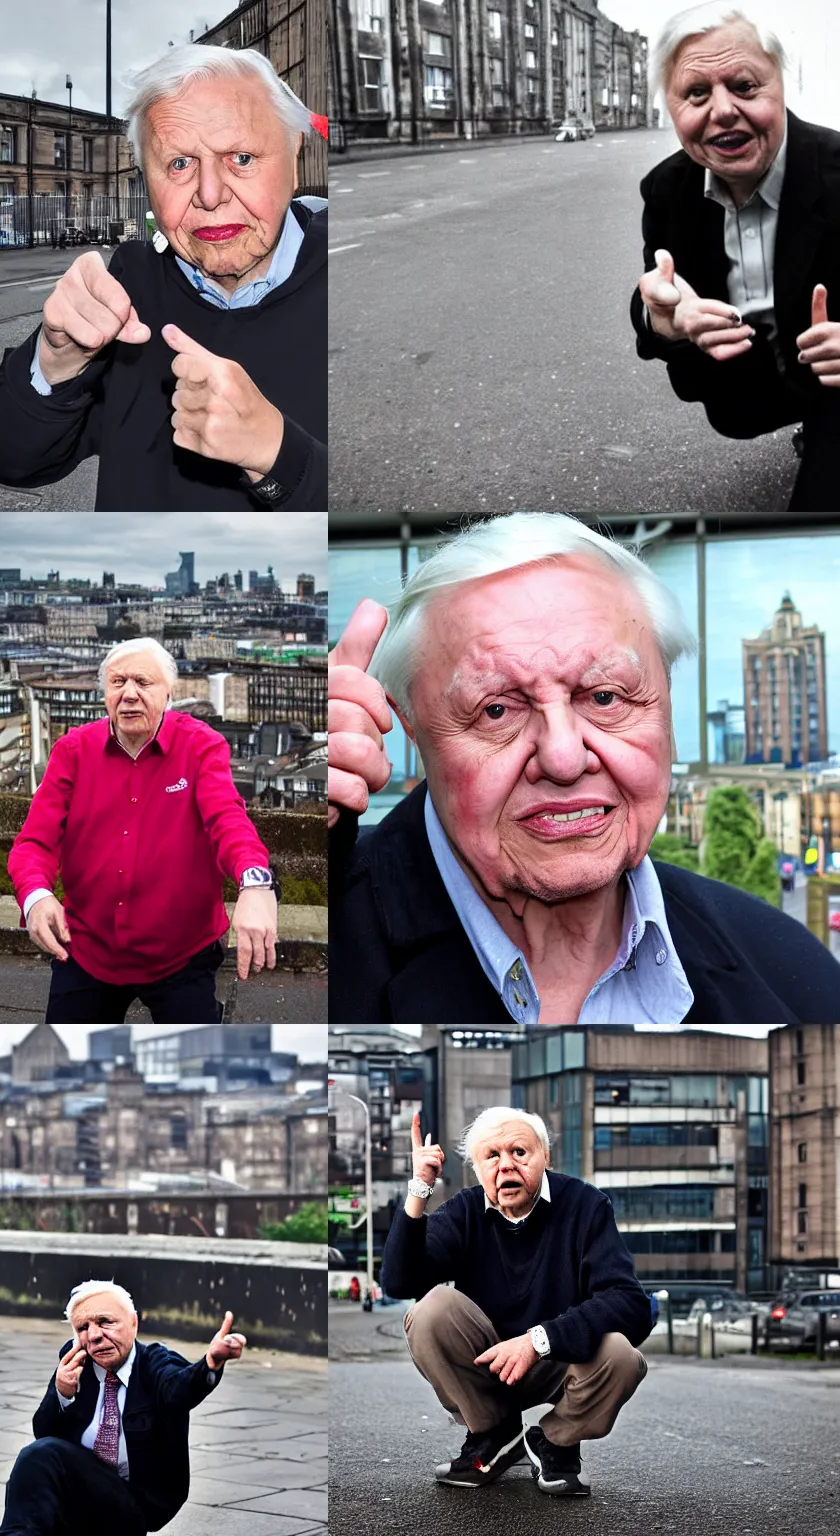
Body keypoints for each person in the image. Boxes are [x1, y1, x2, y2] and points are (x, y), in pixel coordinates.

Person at [327, 512, 840, 1022]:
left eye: (604, 696)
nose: (565, 758)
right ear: (410, 725)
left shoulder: (796, 978)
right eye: (497, 710)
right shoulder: (317, 938)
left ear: (666, 703)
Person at [0, 45, 327, 510]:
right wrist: (56, 360)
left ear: (294, 151)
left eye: (241, 157)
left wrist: (280, 456)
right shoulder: (129, 287)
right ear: (146, 178)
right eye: (179, 164)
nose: (210, 195)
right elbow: (10, 458)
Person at [629, 5, 840, 511]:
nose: (722, 111)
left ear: (782, 87)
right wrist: (664, 321)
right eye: (696, 93)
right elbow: (655, 297)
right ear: (671, 107)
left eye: (744, 86)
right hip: (741, 389)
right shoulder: (666, 189)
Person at [381, 1108, 651, 1499]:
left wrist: (538, 1340)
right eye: (491, 1156)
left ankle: (555, 1440)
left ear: (545, 1157)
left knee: (621, 1355)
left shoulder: (585, 1205)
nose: (506, 1165)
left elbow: (630, 1304)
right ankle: (493, 1433)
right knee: (431, 1309)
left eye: (519, 1152)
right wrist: (420, 1187)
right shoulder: (465, 1211)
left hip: (559, 1359)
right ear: (477, 1169)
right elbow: (399, 1281)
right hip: (487, 1361)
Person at [8, 636, 279, 1022]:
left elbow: (228, 820)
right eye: (118, 682)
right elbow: (35, 841)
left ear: (168, 692)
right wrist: (35, 896)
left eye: (143, 682)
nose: (129, 694)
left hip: (182, 954)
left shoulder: (201, 747)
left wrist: (254, 883)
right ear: (104, 692)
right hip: (87, 948)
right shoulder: (73, 751)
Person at [0, 1280, 246, 1536]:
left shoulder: (154, 1362)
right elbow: (44, 1432)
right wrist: (62, 1393)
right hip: (78, 1499)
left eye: (104, 1322)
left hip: (136, 1506)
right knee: (35, 1462)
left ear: (133, 1324)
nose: (94, 1335)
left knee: (41, 1456)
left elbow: (179, 1389)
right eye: (83, 1327)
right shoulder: (76, 1363)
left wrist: (210, 1364)